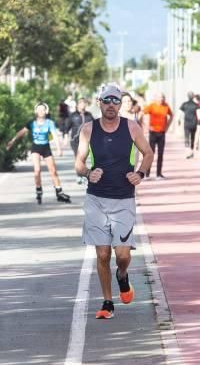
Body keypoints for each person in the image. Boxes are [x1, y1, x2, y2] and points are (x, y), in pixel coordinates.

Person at [74, 85, 154, 319]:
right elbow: (78, 162)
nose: (111, 104)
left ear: (120, 104)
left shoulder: (131, 127)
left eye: (115, 101)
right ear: (99, 102)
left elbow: (148, 153)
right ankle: (108, 302)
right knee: (102, 254)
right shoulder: (88, 129)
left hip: (123, 200)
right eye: (106, 100)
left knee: (122, 255)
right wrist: (88, 173)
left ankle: (122, 275)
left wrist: (139, 174)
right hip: (96, 199)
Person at [7, 103, 71, 204]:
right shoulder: (32, 123)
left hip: (46, 148)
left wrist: (59, 148)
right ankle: (39, 190)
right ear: (36, 111)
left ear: (46, 111)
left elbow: (54, 136)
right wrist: (13, 140)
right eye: (39, 110)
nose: (41, 112)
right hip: (36, 148)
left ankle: (59, 192)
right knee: (37, 170)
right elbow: (22, 132)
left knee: (53, 171)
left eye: (43, 110)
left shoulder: (50, 123)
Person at [141, 92, 173, 179]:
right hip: (153, 133)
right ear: (155, 98)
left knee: (160, 154)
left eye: (163, 97)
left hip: (162, 133)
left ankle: (159, 174)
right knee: (150, 153)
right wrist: (145, 125)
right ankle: (147, 174)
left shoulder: (166, 106)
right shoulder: (152, 105)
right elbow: (142, 113)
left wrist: (167, 127)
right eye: (160, 97)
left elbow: (171, 115)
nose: (161, 99)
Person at [67, 98, 94, 185]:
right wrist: (64, 137)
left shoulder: (89, 115)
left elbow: (95, 126)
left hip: (86, 140)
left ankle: (82, 175)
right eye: (81, 103)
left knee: (83, 158)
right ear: (78, 105)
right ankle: (79, 176)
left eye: (84, 103)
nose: (83, 105)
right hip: (75, 140)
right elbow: (66, 127)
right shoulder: (73, 115)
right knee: (78, 157)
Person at [179, 91, 200, 159]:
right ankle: (192, 152)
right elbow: (199, 115)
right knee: (192, 138)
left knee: (187, 138)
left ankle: (188, 153)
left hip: (187, 124)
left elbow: (180, 113)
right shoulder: (196, 105)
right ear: (193, 97)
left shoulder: (184, 104)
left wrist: (179, 120)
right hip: (194, 124)